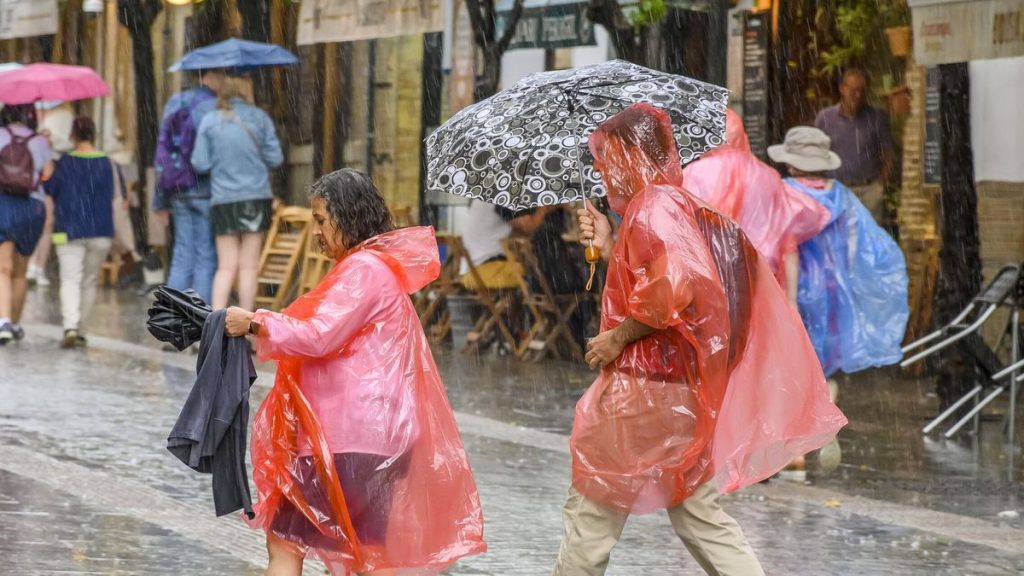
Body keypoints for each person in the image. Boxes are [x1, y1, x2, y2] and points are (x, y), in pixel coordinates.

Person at [553, 104, 846, 576]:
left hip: (642, 389)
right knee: (699, 515)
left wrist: (616, 338)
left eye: (607, 158)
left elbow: (673, 287)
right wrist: (610, 244)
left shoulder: (655, 208)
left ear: (630, 156)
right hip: (681, 390)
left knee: (592, 511)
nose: (602, 170)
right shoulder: (675, 205)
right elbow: (659, 282)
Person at [224, 169, 486, 576]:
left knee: (287, 542)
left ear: (348, 218)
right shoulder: (374, 267)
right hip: (375, 440)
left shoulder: (364, 269)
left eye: (321, 220)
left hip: (348, 440)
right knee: (360, 553)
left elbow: (318, 335)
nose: (316, 232)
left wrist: (255, 322)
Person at [768, 126, 909, 395]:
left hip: (790, 288)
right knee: (822, 360)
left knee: (794, 357)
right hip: (834, 290)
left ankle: (805, 411)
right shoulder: (842, 196)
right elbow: (866, 245)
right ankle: (824, 402)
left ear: (789, 161)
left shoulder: (783, 192)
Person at [682, 108, 830, 305]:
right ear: (742, 136)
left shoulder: (692, 174)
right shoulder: (768, 177)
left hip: (709, 280)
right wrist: (791, 304)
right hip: (760, 280)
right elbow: (788, 237)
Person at [192, 74, 283, 313]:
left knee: (225, 266)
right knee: (249, 267)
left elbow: (199, 163)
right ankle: (245, 322)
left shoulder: (210, 121)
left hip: (224, 199)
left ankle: (215, 320)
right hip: (256, 197)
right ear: (245, 92)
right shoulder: (260, 118)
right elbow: (276, 157)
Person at [45, 116, 121, 349]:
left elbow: (50, 189)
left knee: (70, 278)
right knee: (89, 281)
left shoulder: (66, 162)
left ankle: (70, 325)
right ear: (94, 134)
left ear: (72, 136)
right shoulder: (107, 162)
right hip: (100, 230)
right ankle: (82, 329)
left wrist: (49, 167)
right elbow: (115, 197)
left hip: (68, 230)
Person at [153, 68, 225, 305]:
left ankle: (172, 323)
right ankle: (197, 326)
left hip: (177, 189)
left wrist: (160, 199)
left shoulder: (175, 102)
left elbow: (162, 152)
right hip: (204, 189)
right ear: (212, 76)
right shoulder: (215, 106)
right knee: (205, 257)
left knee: (182, 255)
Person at [0, 104, 53, 345]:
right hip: (33, 207)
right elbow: (47, 173)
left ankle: (3, 322)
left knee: (3, 269)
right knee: (20, 272)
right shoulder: (39, 140)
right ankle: (17, 324)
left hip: (4, 203)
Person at [814, 68, 894, 224]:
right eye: (853, 90)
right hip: (838, 190)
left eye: (861, 91)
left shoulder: (876, 117)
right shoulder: (825, 118)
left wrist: (880, 186)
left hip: (869, 191)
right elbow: (815, 154)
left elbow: (888, 153)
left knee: (870, 240)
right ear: (842, 89)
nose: (857, 95)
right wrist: (822, 186)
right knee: (840, 238)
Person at [27, 101, 75, 288]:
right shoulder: (63, 115)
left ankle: (35, 265)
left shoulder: (53, 117)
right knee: (48, 222)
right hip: (55, 171)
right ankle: (37, 266)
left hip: (50, 172)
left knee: (45, 222)